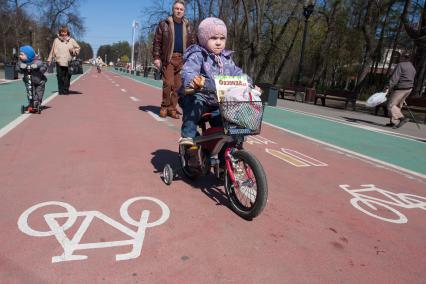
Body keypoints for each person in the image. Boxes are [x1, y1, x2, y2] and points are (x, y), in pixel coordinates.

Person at [178, 17, 256, 145]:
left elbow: (237, 73)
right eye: (213, 38)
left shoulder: (226, 59)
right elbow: (189, 70)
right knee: (194, 104)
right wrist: (193, 81)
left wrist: (248, 83)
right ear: (204, 39)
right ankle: (188, 137)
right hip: (200, 96)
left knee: (224, 123)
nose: (218, 42)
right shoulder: (198, 55)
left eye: (222, 38)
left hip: (218, 101)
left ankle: (221, 150)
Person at [152, 0, 195, 119]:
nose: (179, 11)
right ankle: (164, 107)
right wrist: (156, 57)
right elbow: (157, 42)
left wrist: (192, 58)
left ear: (184, 11)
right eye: (177, 8)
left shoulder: (187, 25)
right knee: (168, 84)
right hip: (169, 58)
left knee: (178, 86)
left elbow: (192, 43)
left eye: (181, 9)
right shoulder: (164, 24)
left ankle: (172, 108)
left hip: (182, 59)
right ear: (173, 9)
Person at [385, 52, 416, 129]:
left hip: (401, 88)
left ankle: (402, 118)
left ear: (403, 57)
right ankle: (393, 122)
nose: (399, 58)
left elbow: (395, 78)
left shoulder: (400, 65)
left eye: (400, 56)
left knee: (390, 105)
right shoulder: (412, 67)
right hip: (409, 88)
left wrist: (388, 87)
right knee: (398, 106)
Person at [47, 26, 80, 95]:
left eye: (65, 32)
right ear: (60, 32)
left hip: (68, 61)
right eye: (62, 32)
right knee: (59, 76)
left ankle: (66, 90)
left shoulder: (71, 40)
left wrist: (73, 51)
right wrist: (49, 59)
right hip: (59, 61)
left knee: (67, 77)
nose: (63, 33)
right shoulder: (56, 40)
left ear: (67, 32)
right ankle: (61, 90)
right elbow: (52, 50)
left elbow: (78, 48)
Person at [17, 45, 47, 112]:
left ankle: (37, 102)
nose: (20, 56)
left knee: (39, 92)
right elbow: (18, 68)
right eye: (20, 54)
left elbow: (44, 66)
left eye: (22, 54)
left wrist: (37, 68)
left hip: (39, 81)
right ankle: (31, 103)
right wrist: (21, 67)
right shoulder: (21, 62)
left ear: (28, 55)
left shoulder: (37, 61)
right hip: (29, 81)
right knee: (30, 92)